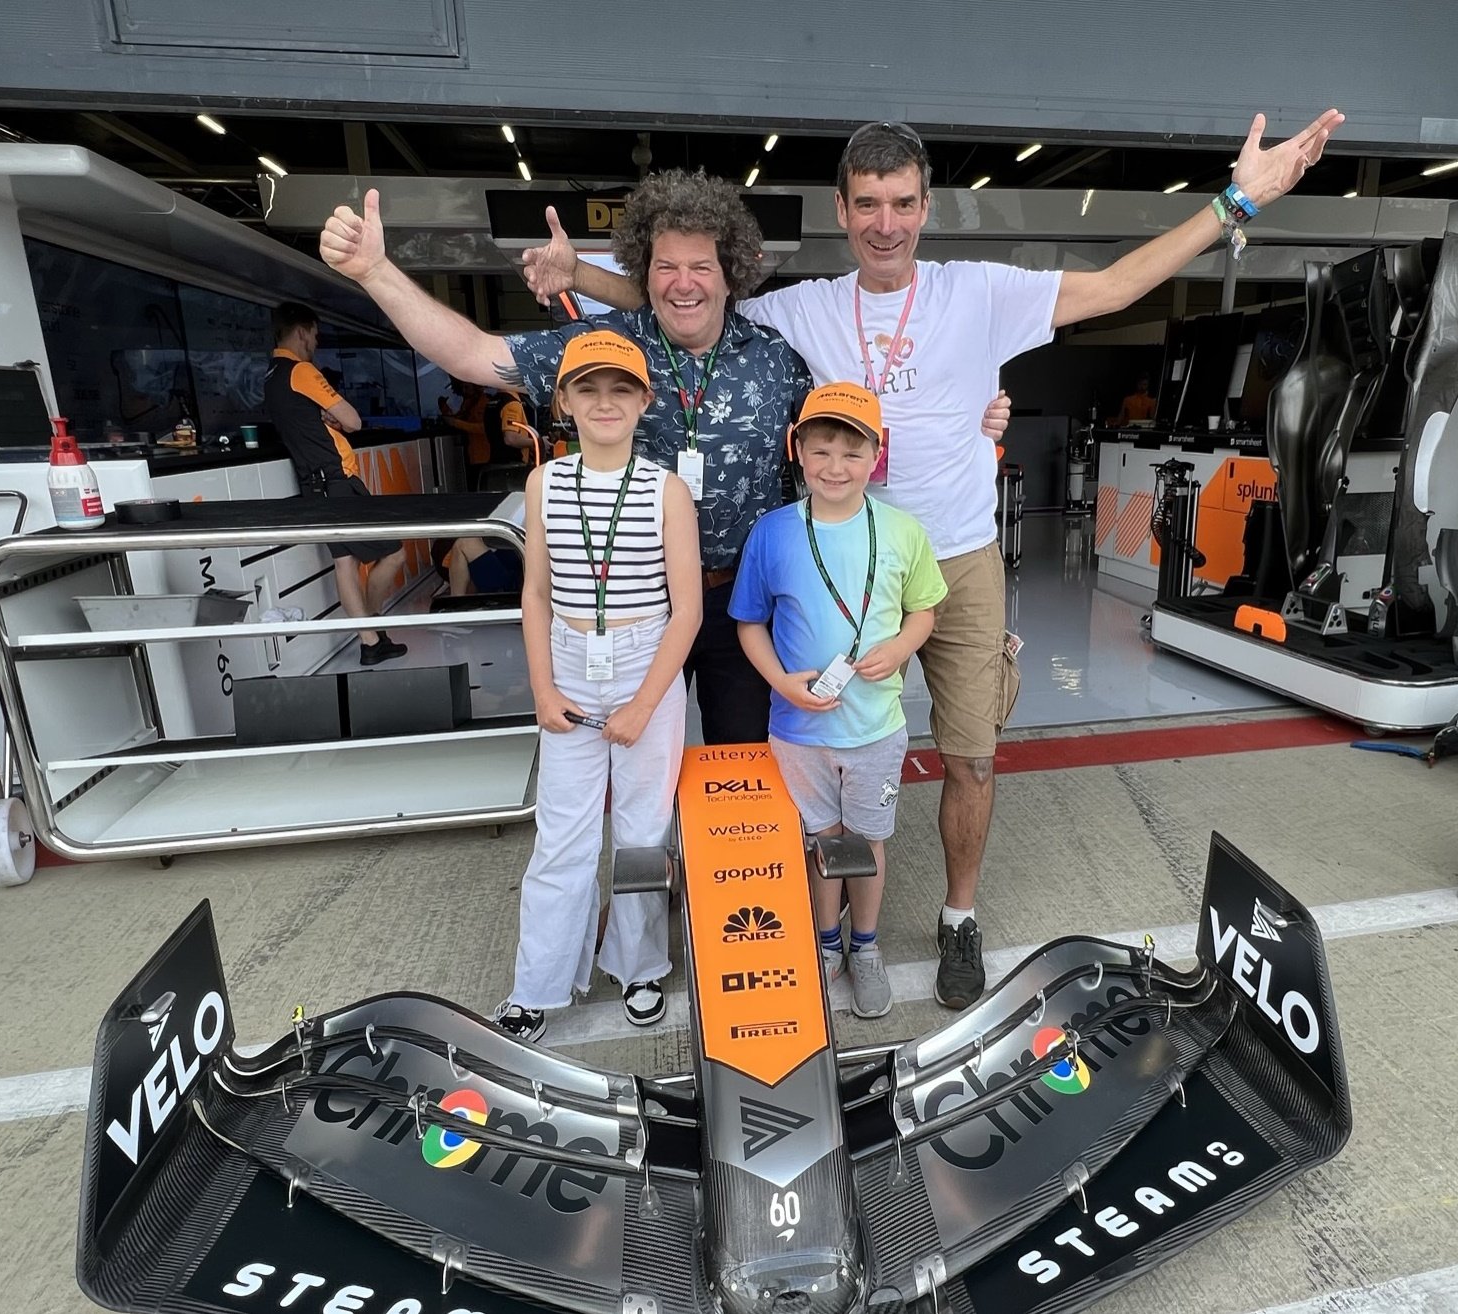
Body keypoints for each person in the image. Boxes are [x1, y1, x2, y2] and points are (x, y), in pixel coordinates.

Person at [523, 108, 1342, 1010]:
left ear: (926, 207)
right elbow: (689, 296)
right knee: (819, 750)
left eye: (903, 203)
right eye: (868, 203)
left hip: (955, 561)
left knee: (972, 755)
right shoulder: (807, 307)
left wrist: (1235, 203)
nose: (886, 222)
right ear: (842, 209)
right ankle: (824, 922)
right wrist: (587, 280)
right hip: (838, 564)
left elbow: (1113, 287)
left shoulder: (979, 292)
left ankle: (957, 917)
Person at [321, 171, 809, 744]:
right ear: (644, 273)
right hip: (636, 605)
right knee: (640, 766)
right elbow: (475, 356)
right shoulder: (605, 344)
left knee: (740, 758)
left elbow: (826, 459)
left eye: (701, 266)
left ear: (730, 273)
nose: (683, 284)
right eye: (664, 267)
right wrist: (376, 272)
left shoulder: (776, 358)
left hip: (741, 602)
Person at [491, 329, 702, 1039]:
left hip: (648, 663)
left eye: (620, 389)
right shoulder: (543, 482)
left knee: (643, 830)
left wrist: (646, 703)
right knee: (562, 835)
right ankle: (538, 983)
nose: (604, 402)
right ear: (563, 401)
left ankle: (639, 968)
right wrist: (543, 690)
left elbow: (688, 607)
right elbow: (536, 596)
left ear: (645, 400)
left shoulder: (666, 490)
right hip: (572, 663)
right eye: (588, 388)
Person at [730, 383, 945, 1020]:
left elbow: (924, 609)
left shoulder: (903, 531)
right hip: (799, 727)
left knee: (868, 839)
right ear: (797, 451)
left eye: (852, 453)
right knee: (822, 838)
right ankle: (826, 945)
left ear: (877, 458)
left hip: (876, 724)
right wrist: (780, 681)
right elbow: (749, 623)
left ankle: (866, 947)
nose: (834, 466)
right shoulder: (772, 534)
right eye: (820, 449)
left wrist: (902, 647)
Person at [265, 302, 408, 666]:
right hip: (338, 481)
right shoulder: (302, 372)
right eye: (313, 334)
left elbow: (307, 424)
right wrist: (338, 418)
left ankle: (370, 642)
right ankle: (372, 630)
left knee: (345, 565)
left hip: (315, 486)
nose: (315, 341)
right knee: (394, 553)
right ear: (301, 332)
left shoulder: (271, 377)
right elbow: (355, 421)